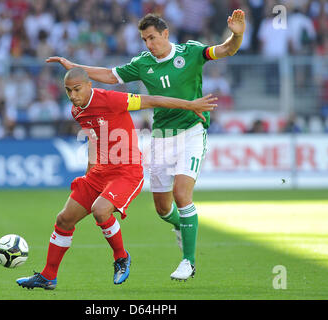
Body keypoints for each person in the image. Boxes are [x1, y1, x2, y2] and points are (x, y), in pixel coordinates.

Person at [45, 10, 245, 281]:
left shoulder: (191, 52)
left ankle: (188, 260)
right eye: (144, 39)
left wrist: (237, 33)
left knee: (182, 194)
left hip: (191, 131)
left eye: (152, 37)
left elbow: (225, 50)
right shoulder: (142, 63)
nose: (149, 44)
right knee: (163, 208)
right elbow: (109, 75)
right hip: (162, 135)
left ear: (165, 33)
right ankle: (181, 225)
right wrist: (74, 67)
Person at [16, 68, 218, 289]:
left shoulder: (111, 99)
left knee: (100, 210)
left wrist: (190, 105)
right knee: (64, 219)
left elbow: (152, 100)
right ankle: (48, 276)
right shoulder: (77, 110)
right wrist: (88, 174)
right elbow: (94, 140)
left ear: (89, 85)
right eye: (68, 90)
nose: (73, 95)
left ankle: (121, 258)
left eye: (77, 89)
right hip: (99, 174)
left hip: (126, 172)